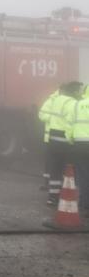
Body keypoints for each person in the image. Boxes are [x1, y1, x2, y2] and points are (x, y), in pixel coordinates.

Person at [41, 81, 81, 205]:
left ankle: (52, 197)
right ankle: (65, 196)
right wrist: (71, 139)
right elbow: (70, 123)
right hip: (64, 139)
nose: (80, 93)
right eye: (78, 91)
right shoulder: (72, 103)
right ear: (74, 92)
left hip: (53, 138)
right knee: (66, 169)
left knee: (55, 168)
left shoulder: (56, 100)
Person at [66, 82, 89, 212]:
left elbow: (69, 125)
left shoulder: (76, 105)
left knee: (82, 174)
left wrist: (70, 139)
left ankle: (84, 203)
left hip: (80, 145)